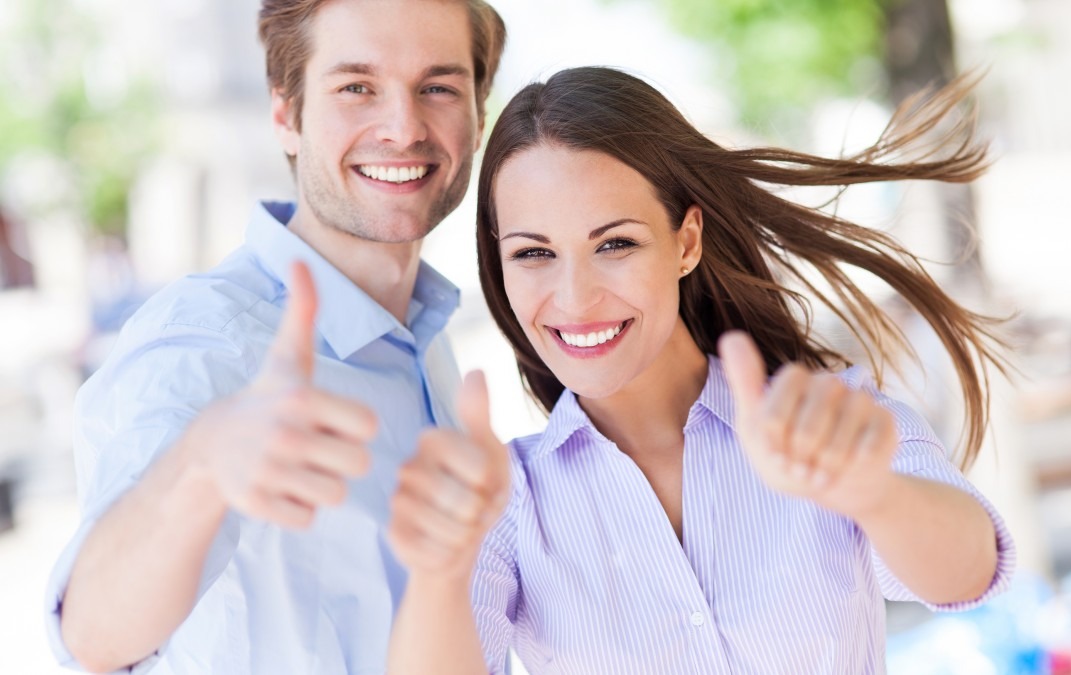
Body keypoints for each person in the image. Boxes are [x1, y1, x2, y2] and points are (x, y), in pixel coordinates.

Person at [385, 66, 1017, 674]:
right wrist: (439, 574)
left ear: (686, 242)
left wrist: (869, 492)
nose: (574, 298)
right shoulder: (507, 503)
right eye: (533, 253)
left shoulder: (830, 423)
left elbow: (971, 572)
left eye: (615, 244)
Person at [46, 1, 508, 672]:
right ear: (286, 115)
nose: (404, 128)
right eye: (356, 87)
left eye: (438, 87)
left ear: (478, 114)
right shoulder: (206, 343)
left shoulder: (427, 341)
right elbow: (90, 632)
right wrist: (202, 462)